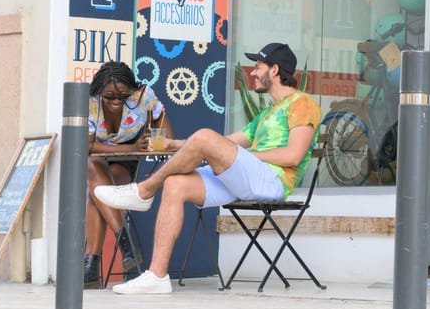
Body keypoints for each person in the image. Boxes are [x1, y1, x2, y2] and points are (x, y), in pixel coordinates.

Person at [93, 42, 322, 295]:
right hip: (249, 179)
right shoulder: (268, 112)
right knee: (176, 183)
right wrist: (174, 143)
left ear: (275, 70)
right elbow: (228, 143)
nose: (253, 72)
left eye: (258, 67)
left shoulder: (302, 103)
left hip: (273, 181)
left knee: (204, 137)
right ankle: (157, 275)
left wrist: (246, 156)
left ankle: (145, 191)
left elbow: (293, 155)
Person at [85, 61, 174, 288]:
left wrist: (154, 140)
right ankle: (126, 244)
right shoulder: (90, 101)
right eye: (110, 96)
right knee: (94, 167)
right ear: (99, 92)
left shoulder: (143, 97)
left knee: (97, 194)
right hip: (98, 159)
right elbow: (87, 146)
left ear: (132, 91)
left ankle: (91, 267)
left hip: (125, 164)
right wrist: (129, 147)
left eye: (123, 96)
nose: (116, 102)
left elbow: (166, 137)